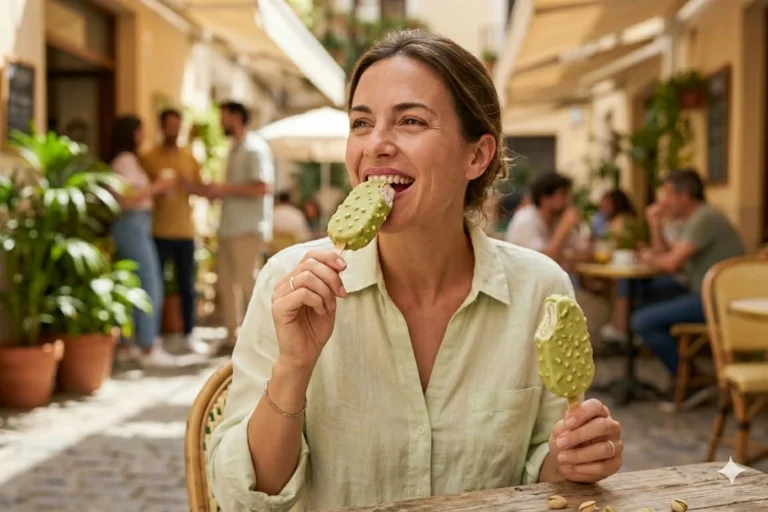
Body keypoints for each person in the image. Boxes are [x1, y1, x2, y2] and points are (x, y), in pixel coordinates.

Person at [207, 30, 622, 512]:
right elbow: (244, 498)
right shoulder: (289, 281)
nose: (377, 144)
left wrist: (573, 460)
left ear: (477, 155)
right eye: (361, 123)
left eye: (410, 120)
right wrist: (293, 368)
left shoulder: (540, 292)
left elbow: (540, 477)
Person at [632, 169, 745, 398]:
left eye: (668, 194)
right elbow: (666, 253)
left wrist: (650, 258)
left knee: (642, 321)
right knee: (643, 291)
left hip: (718, 302)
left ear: (684, 196)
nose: (663, 201)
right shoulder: (696, 218)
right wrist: (655, 224)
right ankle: (683, 372)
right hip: (704, 292)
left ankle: (689, 378)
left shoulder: (705, 218)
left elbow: (671, 263)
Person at [198, 100, 274, 354]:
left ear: (236, 117)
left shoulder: (254, 149)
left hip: (247, 229)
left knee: (247, 283)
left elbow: (262, 187)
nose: (220, 122)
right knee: (226, 284)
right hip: (229, 228)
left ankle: (261, 339)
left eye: (223, 116)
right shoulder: (234, 148)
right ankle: (233, 339)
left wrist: (223, 189)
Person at [108, 115, 177, 366]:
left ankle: (128, 346)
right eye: (141, 131)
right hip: (132, 224)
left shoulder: (128, 160)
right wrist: (157, 187)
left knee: (131, 284)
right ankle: (148, 347)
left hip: (134, 225)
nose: (144, 136)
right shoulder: (125, 160)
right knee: (149, 283)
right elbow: (127, 199)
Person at [141, 108, 207, 354]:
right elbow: (141, 191)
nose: (173, 129)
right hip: (158, 231)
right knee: (154, 285)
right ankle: (153, 337)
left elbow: (203, 189)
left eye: (177, 125)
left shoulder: (189, 158)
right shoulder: (147, 158)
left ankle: (189, 334)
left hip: (185, 231)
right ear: (161, 127)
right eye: (169, 124)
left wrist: (190, 186)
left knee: (187, 285)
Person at [504, 171, 590, 271]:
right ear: (544, 199)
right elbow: (544, 261)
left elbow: (585, 254)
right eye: (562, 195)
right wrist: (563, 229)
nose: (568, 200)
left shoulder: (558, 219)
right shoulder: (525, 220)